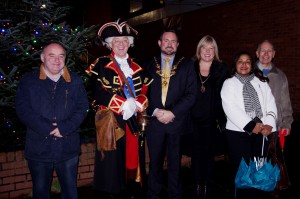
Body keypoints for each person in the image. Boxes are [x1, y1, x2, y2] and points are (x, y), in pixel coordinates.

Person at [85, 19, 152, 199]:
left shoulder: (138, 66)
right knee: (113, 158)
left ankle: (132, 187)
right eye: (116, 41)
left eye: (124, 41)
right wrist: (122, 104)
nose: (121, 44)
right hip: (113, 119)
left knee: (133, 155)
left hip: (134, 119)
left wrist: (139, 103)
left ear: (129, 43)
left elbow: (146, 89)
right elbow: (97, 93)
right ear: (109, 44)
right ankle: (113, 191)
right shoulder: (99, 65)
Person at [15, 41, 89, 199]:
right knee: (40, 193)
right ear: (42, 58)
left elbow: (83, 108)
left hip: (68, 146)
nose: (57, 60)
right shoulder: (29, 81)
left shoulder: (74, 80)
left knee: (70, 192)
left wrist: (65, 128)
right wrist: (47, 128)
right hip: (39, 148)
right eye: (51, 56)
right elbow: (23, 109)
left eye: (61, 56)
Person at [143, 29, 197, 199]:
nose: (169, 44)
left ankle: (175, 195)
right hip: (155, 122)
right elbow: (141, 93)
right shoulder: (148, 65)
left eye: (173, 41)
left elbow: (191, 94)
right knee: (155, 164)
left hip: (177, 121)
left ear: (178, 45)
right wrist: (157, 111)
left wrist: (172, 112)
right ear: (159, 43)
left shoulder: (187, 65)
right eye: (166, 40)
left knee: (175, 164)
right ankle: (153, 194)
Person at [221, 50, 277, 199]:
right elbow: (230, 108)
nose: (244, 64)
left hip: (262, 133)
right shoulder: (229, 83)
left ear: (252, 65)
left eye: (247, 61)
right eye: (240, 61)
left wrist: (269, 124)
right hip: (238, 134)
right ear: (235, 64)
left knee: (259, 169)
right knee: (242, 171)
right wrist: (252, 126)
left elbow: (271, 104)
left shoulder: (262, 82)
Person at [189, 35, 228, 199]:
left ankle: (207, 184)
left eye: (211, 48)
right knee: (196, 154)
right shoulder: (189, 67)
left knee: (209, 154)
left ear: (215, 51)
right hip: (193, 119)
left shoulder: (221, 69)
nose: (207, 51)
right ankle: (198, 184)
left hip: (213, 120)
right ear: (199, 49)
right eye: (204, 47)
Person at [256, 40, 293, 136]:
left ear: (273, 54)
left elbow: (286, 103)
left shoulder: (281, 76)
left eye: (269, 51)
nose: (266, 54)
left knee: (270, 151)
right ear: (257, 53)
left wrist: (286, 124)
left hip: (274, 126)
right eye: (263, 50)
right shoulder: (248, 73)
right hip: (253, 126)